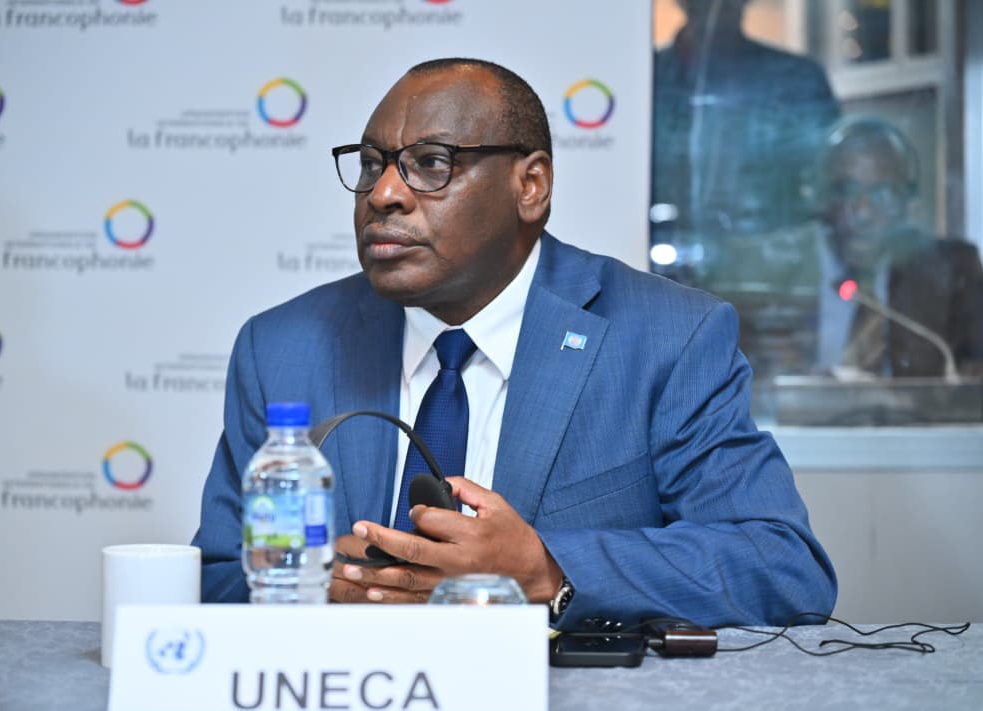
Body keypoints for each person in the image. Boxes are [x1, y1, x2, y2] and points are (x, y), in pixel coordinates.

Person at [191, 57, 836, 629]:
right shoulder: (282, 348)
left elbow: (781, 567)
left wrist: (545, 570)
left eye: (431, 164)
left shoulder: (666, 339)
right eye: (370, 165)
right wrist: (318, 593)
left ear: (530, 186)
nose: (383, 194)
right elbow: (217, 577)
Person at [650, 0, 840, 379]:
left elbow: (831, 186)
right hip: (663, 282)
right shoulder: (645, 77)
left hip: (774, 289)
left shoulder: (797, 81)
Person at [811, 117, 983, 378]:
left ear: (908, 203)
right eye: (848, 191)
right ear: (824, 198)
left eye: (884, 193)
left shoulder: (952, 269)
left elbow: (974, 377)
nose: (863, 212)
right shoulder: (781, 270)